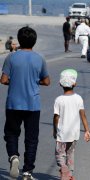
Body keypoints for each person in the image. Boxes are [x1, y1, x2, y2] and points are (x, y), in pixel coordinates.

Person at [0, 26, 50, 179]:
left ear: (19, 40)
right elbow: (47, 81)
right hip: (33, 105)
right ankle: (27, 171)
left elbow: (3, 80)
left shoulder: (11, 58)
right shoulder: (39, 58)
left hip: (13, 103)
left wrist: (14, 81)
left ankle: (14, 156)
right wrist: (35, 81)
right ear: (34, 42)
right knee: (31, 138)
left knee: (11, 133)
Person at [53, 69, 90, 180]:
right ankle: (70, 174)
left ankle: (64, 168)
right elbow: (83, 115)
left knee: (60, 154)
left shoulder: (59, 100)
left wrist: (55, 129)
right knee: (70, 153)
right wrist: (87, 130)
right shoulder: (78, 98)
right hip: (74, 134)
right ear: (74, 84)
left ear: (60, 84)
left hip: (62, 134)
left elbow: (56, 117)